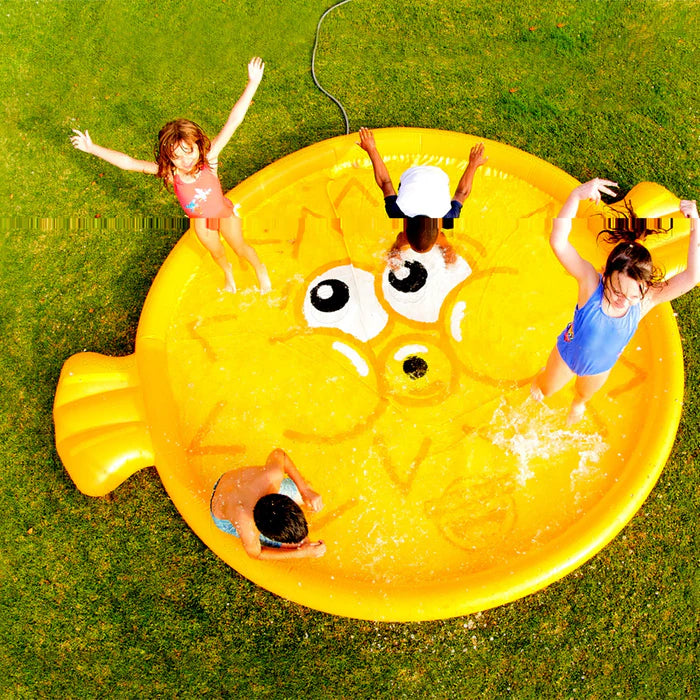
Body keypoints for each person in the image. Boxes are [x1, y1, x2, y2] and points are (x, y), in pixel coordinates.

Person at [71, 57, 271, 294]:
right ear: (168, 158)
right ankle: (229, 275)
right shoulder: (170, 173)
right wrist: (93, 148)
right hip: (201, 222)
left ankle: (260, 269)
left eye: (190, 152)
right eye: (177, 157)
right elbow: (128, 163)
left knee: (239, 247)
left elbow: (233, 122)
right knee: (217, 253)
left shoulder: (209, 160)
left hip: (223, 213)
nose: (186, 161)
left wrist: (252, 83)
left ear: (198, 145)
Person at [531, 178, 699, 424]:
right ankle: (539, 380)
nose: (624, 301)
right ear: (605, 273)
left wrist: (695, 225)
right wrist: (576, 196)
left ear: (643, 289)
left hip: (601, 367)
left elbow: (692, 276)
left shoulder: (645, 301)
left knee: (583, 395)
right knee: (544, 389)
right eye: (618, 292)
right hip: (567, 354)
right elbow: (558, 242)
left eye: (633, 295)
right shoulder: (590, 285)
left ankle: (577, 404)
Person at [356, 127, 487, 267]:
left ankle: (404, 246)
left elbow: (462, 193)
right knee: (430, 233)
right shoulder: (397, 210)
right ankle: (440, 245)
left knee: (437, 227)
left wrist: (473, 164)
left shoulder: (448, 214)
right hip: (421, 174)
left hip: (436, 176)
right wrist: (371, 149)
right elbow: (385, 182)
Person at [210, 448, 326, 560]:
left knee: (308, 490)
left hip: (232, 484)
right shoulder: (246, 524)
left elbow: (280, 454)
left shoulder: (273, 476)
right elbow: (256, 554)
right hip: (222, 511)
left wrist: (305, 490)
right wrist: (301, 553)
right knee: (298, 545)